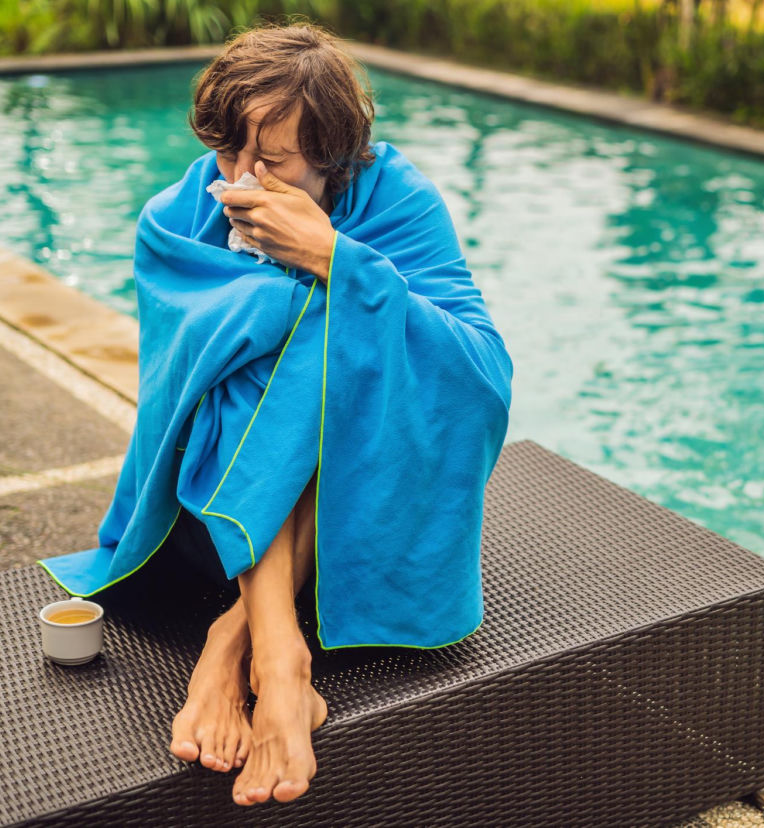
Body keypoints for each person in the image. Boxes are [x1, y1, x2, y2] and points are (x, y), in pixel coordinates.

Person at [38, 23, 512, 808]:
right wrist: (305, 296)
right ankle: (282, 654)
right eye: (229, 152)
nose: (243, 176)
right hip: (207, 510)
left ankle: (238, 640)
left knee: (330, 339)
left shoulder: (401, 200)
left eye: (274, 161)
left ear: (335, 155)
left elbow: (479, 374)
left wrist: (335, 256)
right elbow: (183, 387)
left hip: (369, 498)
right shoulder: (176, 214)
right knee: (271, 353)